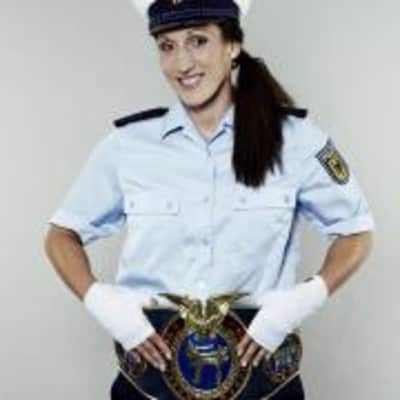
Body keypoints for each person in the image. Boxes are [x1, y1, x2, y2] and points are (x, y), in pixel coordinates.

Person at [44, 1, 375, 399]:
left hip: (263, 389)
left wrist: (302, 300)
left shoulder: (297, 140)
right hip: (148, 389)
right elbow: (61, 235)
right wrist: (103, 304)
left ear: (232, 45)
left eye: (198, 41)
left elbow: (356, 232)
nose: (182, 63)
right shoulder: (127, 146)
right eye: (167, 46)